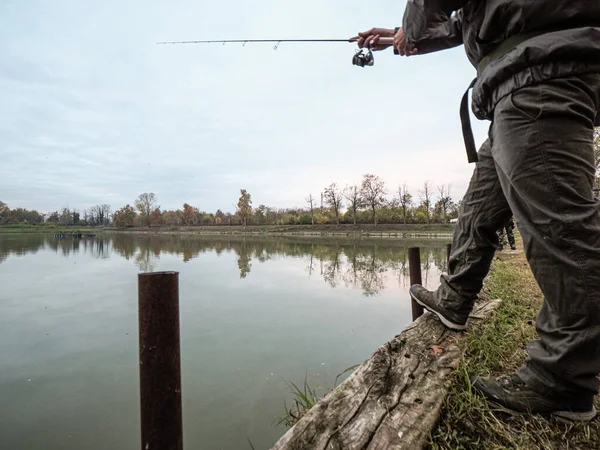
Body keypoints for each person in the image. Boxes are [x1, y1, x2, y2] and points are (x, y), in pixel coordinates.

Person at [352, 1, 600, 423]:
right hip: (518, 78)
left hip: (542, 72)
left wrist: (411, 30)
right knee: (478, 209)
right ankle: (453, 300)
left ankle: (565, 380)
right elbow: (465, 23)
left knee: (564, 233)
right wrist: (402, 33)